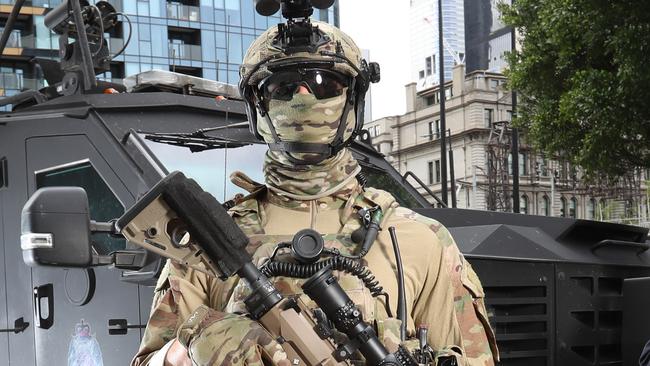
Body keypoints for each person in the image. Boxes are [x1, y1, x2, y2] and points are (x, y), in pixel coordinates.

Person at [131, 19, 498, 366]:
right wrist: (195, 346)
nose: (304, 99)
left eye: (325, 86)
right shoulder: (207, 240)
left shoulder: (420, 240)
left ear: (352, 100)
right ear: (258, 107)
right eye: (283, 88)